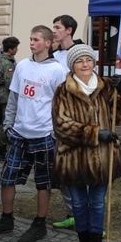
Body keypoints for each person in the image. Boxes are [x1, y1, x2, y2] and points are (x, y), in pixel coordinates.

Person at [0, 25, 67, 242]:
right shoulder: (22, 67)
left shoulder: (57, 70)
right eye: (30, 39)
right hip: (19, 133)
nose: (31, 43)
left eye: (36, 39)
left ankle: (39, 224)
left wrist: (55, 133)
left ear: (48, 43)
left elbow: (62, 105)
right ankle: (6, 219)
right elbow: (14, 97)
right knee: (7, 179)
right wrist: (8, 125)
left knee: (43, 183)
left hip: (43, 135)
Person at [51, 44, 121, 242]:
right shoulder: (63, 90)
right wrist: (95, 133)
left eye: (88, 60)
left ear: (94, 63)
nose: (85, 64)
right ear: (72, 66)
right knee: (78, 203)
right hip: (74, 158)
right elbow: (61, 126)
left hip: (103, 158)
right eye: (80, 61)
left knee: (97, 203)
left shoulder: (106, 86)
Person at [50, 15, 83, 229]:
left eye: (57, 27)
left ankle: (84, 213)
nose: (54, 30)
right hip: (53, 119)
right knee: (60, 170)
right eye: (53, 27)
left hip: (73, 119)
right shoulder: (52, 55)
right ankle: (72, 212)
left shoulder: (80, 54)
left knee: (76, 170)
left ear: (69, 30)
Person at [0, 36, 19, 162]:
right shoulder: (7, 63)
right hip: (6, 95)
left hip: (0, 94)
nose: (17, 50)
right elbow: (10, 83)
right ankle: (2, 151)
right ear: (11, 49)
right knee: (5, 122)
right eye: (16, 48)